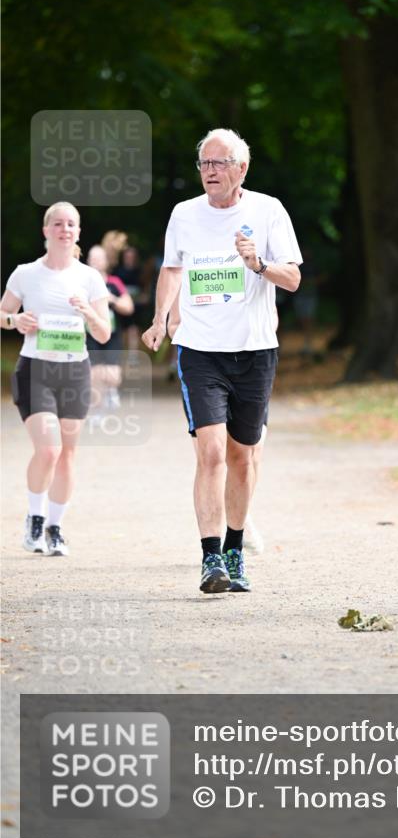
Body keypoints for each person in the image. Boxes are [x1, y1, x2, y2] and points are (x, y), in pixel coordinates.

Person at [142, 128, 302, 594]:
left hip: (254, 350)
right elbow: (172, 268)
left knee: (242, 456)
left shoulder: (268, 210)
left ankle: (235, 548)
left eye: (219, 163)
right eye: (204, 164)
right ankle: (211, 558)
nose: (209, 171)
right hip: (200, 350)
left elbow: (293, 278)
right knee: (210, 452)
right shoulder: (184, 214)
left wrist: (258, 265)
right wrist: (159, 318)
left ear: (241, 169)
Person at [0, 202, 111, 556]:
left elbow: (104, 333)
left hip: (75, 372)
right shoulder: (25, 274)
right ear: (46, 230)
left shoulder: (89, 278)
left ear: (78, 232)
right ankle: (35, 517)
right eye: (58, 224)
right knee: (49, 449)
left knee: (67, 454)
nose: (65, 229)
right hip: (36, 370)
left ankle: (55, 528)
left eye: (71, 224)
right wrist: (14, 321)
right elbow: (3, 313)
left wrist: (88, 311)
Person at [166, 291, 276, 555]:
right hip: (205, 366)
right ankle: (215, 546)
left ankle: (239, 518)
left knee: (250, 455)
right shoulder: (189, 272)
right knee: (212, 454)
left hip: (251, 364)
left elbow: (271, 317)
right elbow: (174, 324)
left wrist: (246, 335)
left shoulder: (254, 274)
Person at [86, 245, 135, 425]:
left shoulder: (114, 283)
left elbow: (128, 307)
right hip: (90, 333)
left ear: (106, 262)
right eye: (92, 258)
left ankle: (110, 391)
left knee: (112, 375)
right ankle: (97, 412)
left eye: (99, 258)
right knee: (94, 374)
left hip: (112, 334)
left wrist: (111, 299)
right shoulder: (83, 283)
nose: (96, 261)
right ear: (88, 261)